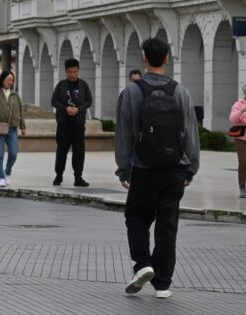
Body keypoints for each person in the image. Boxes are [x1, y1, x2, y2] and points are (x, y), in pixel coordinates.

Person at [115, 36, 200, 299]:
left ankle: (142, 264)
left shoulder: (130, 92)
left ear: (144, 59)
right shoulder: (181, 92)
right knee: (167, 224)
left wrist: (123, 169)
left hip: (142, 169)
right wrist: (190, 168)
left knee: (136, 217)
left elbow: (124, 135)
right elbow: (190, 134)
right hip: (174, 169)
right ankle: (163, 284)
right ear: (166, 58)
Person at [51, 58, 94, 187]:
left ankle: (78, 177)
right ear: (66, 71)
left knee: (79, 152)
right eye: (70, 72)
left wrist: (79, 109)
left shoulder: (83, 85)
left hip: (78, 124)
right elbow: (54, 101)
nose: (72, 74)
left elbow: (89, 101)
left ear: (78, 70)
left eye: (75, 71)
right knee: (61, 151)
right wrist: (65, 108)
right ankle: (59, 176)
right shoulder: (61, 85)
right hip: (64, 124)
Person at [0, 70, 26, 188]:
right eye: (8, 80)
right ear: (2, 80)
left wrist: (22, 126)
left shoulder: (15, 95)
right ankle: (1, 177)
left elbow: (20, 112)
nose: (10, 82)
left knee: (13, 153)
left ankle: (7, 171)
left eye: (12, 80)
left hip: (13, 129)